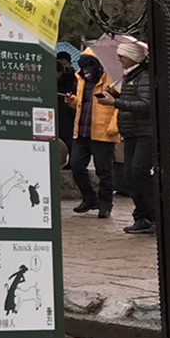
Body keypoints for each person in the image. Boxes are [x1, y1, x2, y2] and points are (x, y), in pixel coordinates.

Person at [65, 51, 120, 218]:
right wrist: (72, 101)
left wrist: (113, 128)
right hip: (81, 132)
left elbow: (119, 106)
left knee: (104, 171)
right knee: (76, 166)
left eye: (89, 65)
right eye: (82, 66)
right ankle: (89, 198)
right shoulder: (80, 80)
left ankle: (105, 204)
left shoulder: (112, 81)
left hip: (103, 134)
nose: (86, 70)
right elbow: (83, 104)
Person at [114, 38, 157, 236]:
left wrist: (116, 103)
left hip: (144, 133)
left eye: (122, 55)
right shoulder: (128, 76)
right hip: (130, 133)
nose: (119, 59)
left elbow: (146, 105)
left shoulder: (143, 76)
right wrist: (115, 97)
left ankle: (156, 217)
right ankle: (141, 216)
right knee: (129, 176)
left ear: (132, 56)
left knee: (139, 173)